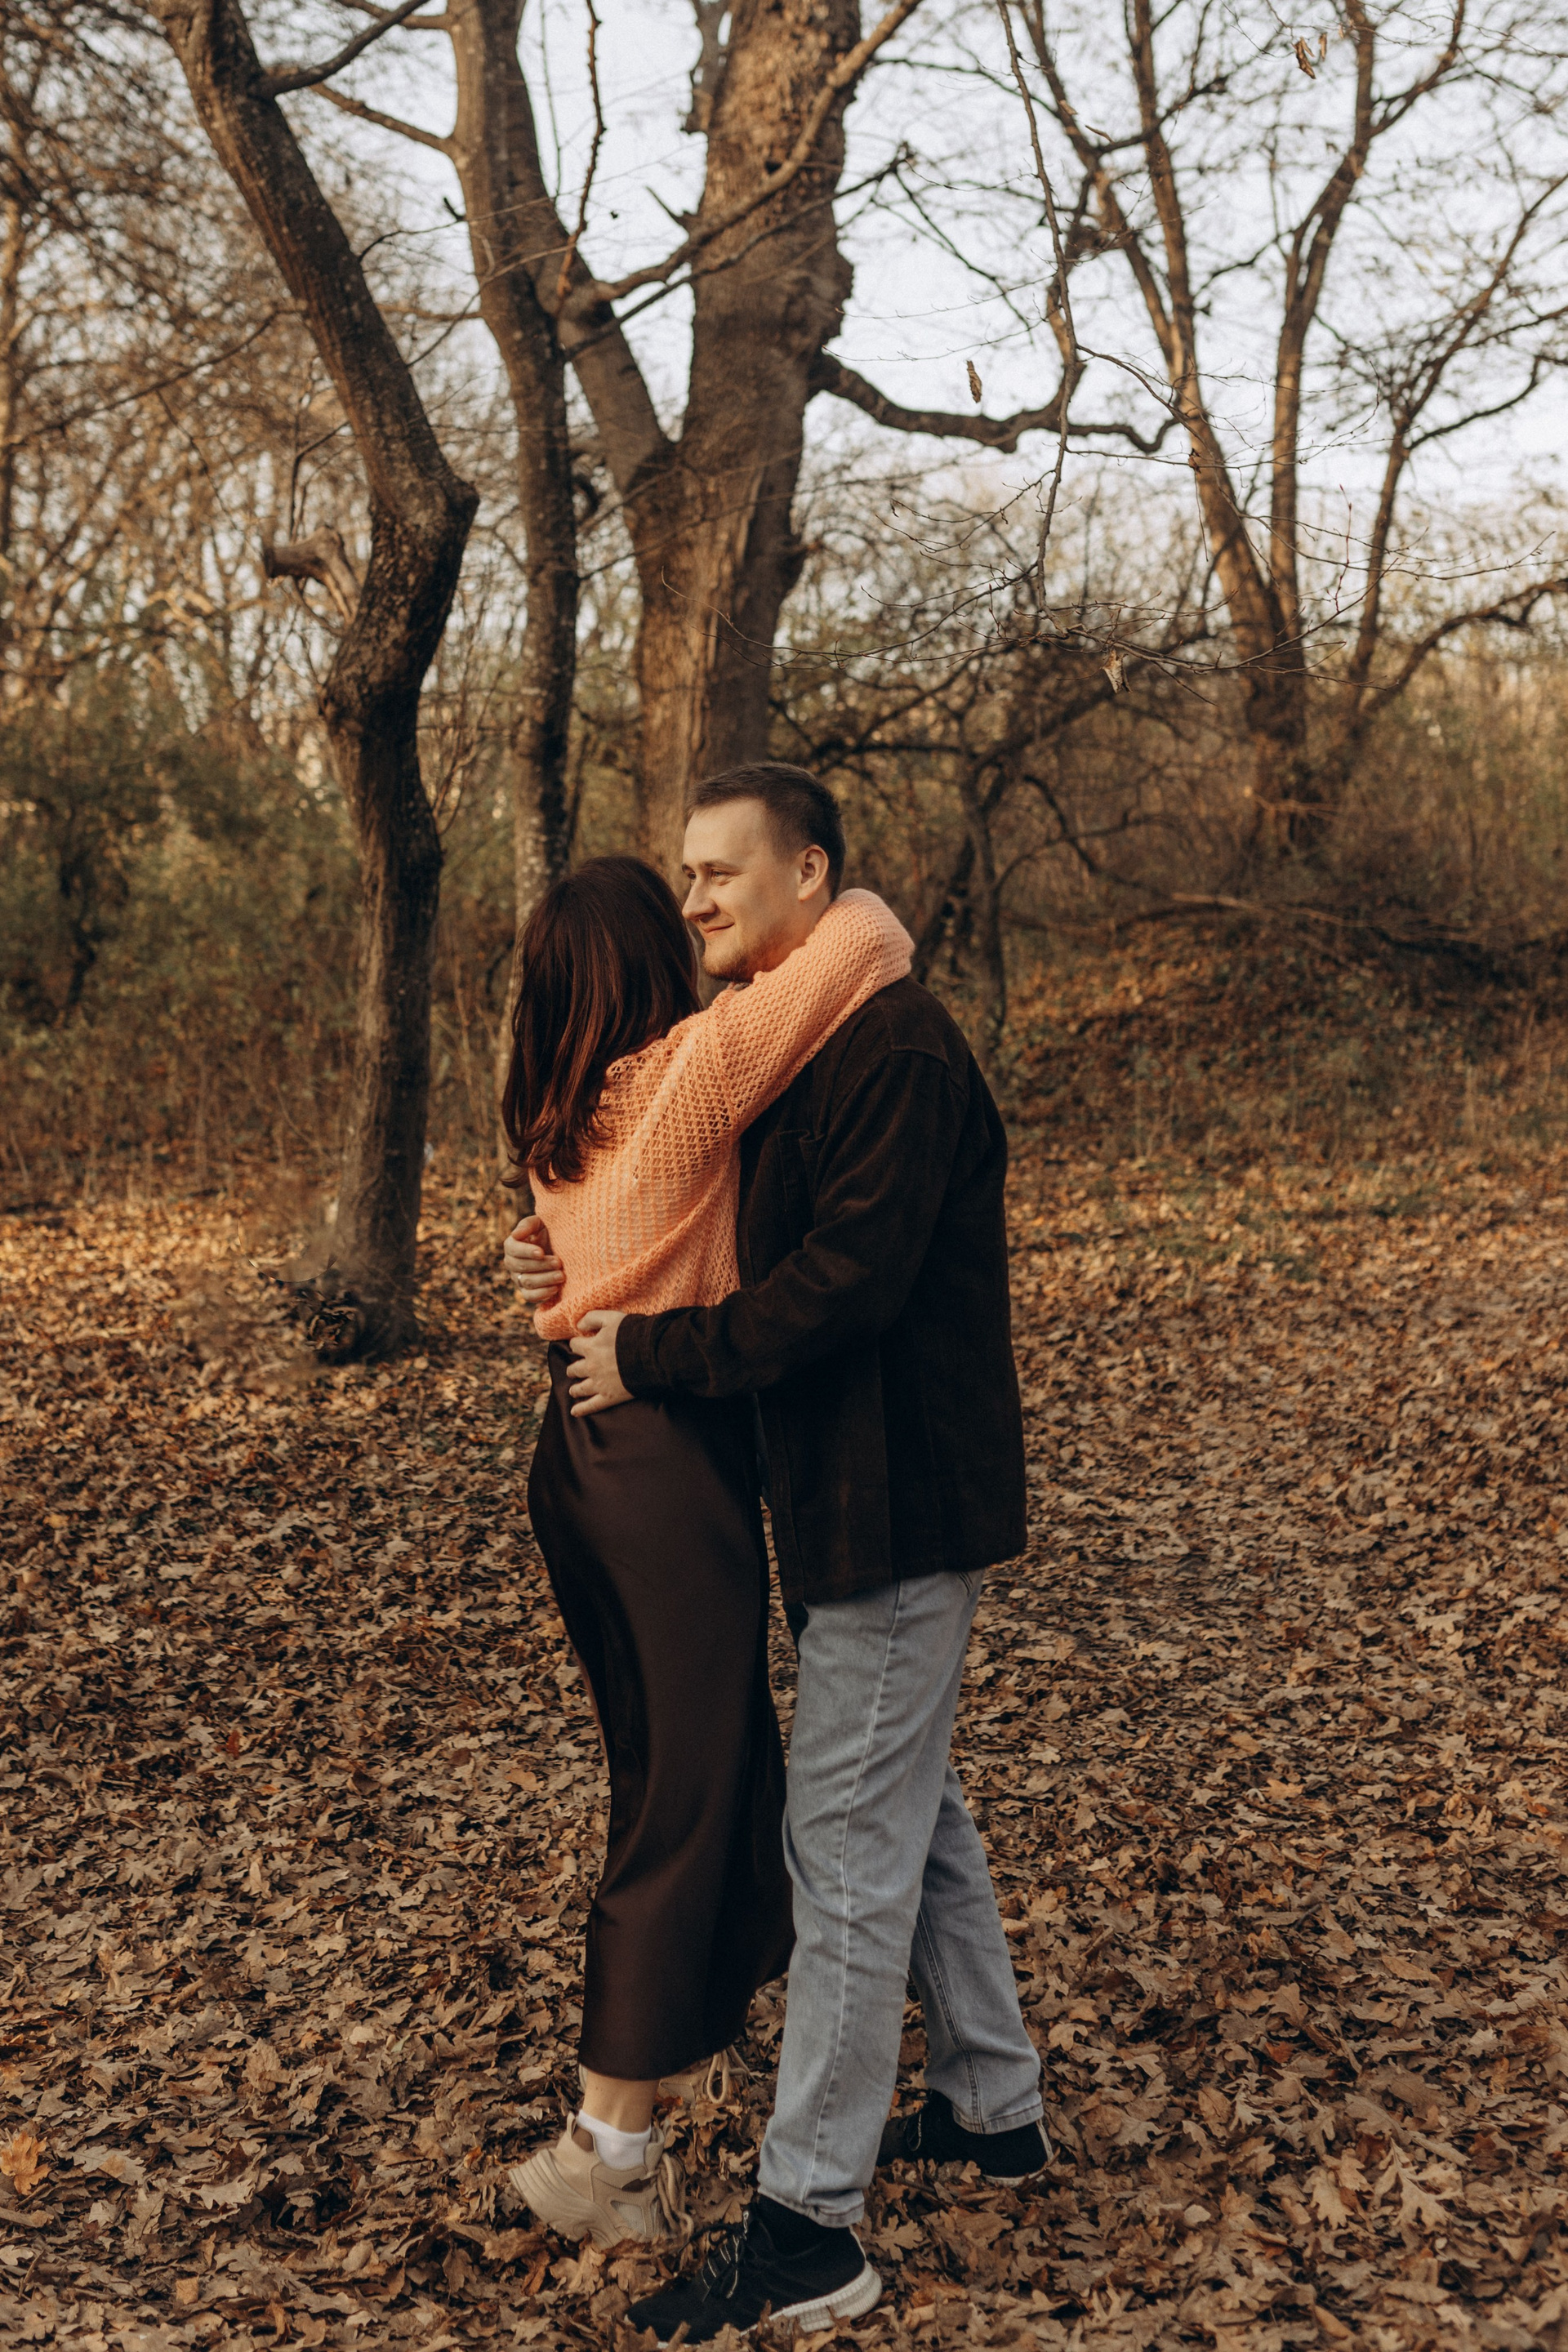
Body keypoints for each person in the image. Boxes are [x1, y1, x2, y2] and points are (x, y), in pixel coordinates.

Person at [507, 764, 1048, 2344]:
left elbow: (840, 1290)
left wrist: (649, 1348)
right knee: (910, 1808)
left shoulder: (898, 1049)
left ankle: (810, 2231)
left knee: (847, 1847)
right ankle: (993, 2108)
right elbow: (688, 1195)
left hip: (897, 1503)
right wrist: (570, 1243)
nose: (696, 900)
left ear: (811, 876)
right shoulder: (787, 1046)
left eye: (721, 872)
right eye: (681, 876)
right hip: (825, 1501)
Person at [499, 849, 912, 2253]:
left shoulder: (557, 1115)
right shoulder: (686, 1073)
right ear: (646, 963)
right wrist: (786, 881)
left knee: (684, 1777)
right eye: (673, 908)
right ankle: (602, 2149)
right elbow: (870, 941)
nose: (698, 916)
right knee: (687, 1795)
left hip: (578, 1460)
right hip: (664, 1465)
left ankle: (657, 2085)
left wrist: (536, 1264)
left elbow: (565, 1258)